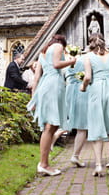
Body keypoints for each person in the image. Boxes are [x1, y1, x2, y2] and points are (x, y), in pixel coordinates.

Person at [27, 34, 76, 176]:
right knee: (50, 126)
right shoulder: (59, 46)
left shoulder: (42, 53)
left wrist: (34, 98)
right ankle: (44, 164)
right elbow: (56, 64)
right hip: (54, 85)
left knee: (50, 126)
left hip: (45, 86)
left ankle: (44, 163)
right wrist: (72, 60)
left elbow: (36, 78)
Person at [80, 33, 109, 177]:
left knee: (96, 127)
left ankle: (99, 166)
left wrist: (83, 87)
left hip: (96, 90)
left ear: (90, 42)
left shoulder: (88, 57)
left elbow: (87, 77)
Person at [64, 53, 88, 167]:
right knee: (82, 126)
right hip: (81, 92)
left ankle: (51, 143)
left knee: (71, 121)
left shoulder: (67, 63)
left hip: (69, 91)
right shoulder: (85, 60)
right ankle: (75, 156)